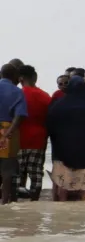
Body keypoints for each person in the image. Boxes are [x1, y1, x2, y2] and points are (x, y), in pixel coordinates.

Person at [17, 66, 50, 201]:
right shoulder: (45, 96)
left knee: (18, 174)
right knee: (36, 174)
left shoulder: (18, 94)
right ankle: (34, 200)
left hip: (19, 139)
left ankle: (16, 204)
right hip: (38, 139)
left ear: (20, 79)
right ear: (35, 77)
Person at [0, 63, 27, 204]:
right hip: (6, 130)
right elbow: (20, 115)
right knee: (7, 169)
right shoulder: (17, 91)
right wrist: (9, 132)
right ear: (14, 76)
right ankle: (4, 201)